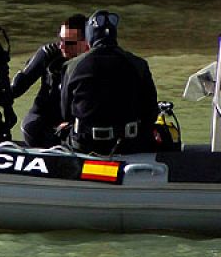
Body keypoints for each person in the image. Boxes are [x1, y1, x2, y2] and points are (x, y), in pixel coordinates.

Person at [59, 10, 159, 155]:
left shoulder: (72, 67)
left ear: (89, 38)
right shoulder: (139, 65)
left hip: (84, 145)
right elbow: (150, 112)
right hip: (128, 145)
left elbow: (65, 113)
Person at [9, 13, 89, 147]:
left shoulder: (94, 64)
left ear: (86, 43)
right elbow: (17, 87)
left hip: (75, 124)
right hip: (46, 118)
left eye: (69, 43)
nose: (62, 46)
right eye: (61, 40)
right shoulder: (49, 55)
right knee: (30, 127)